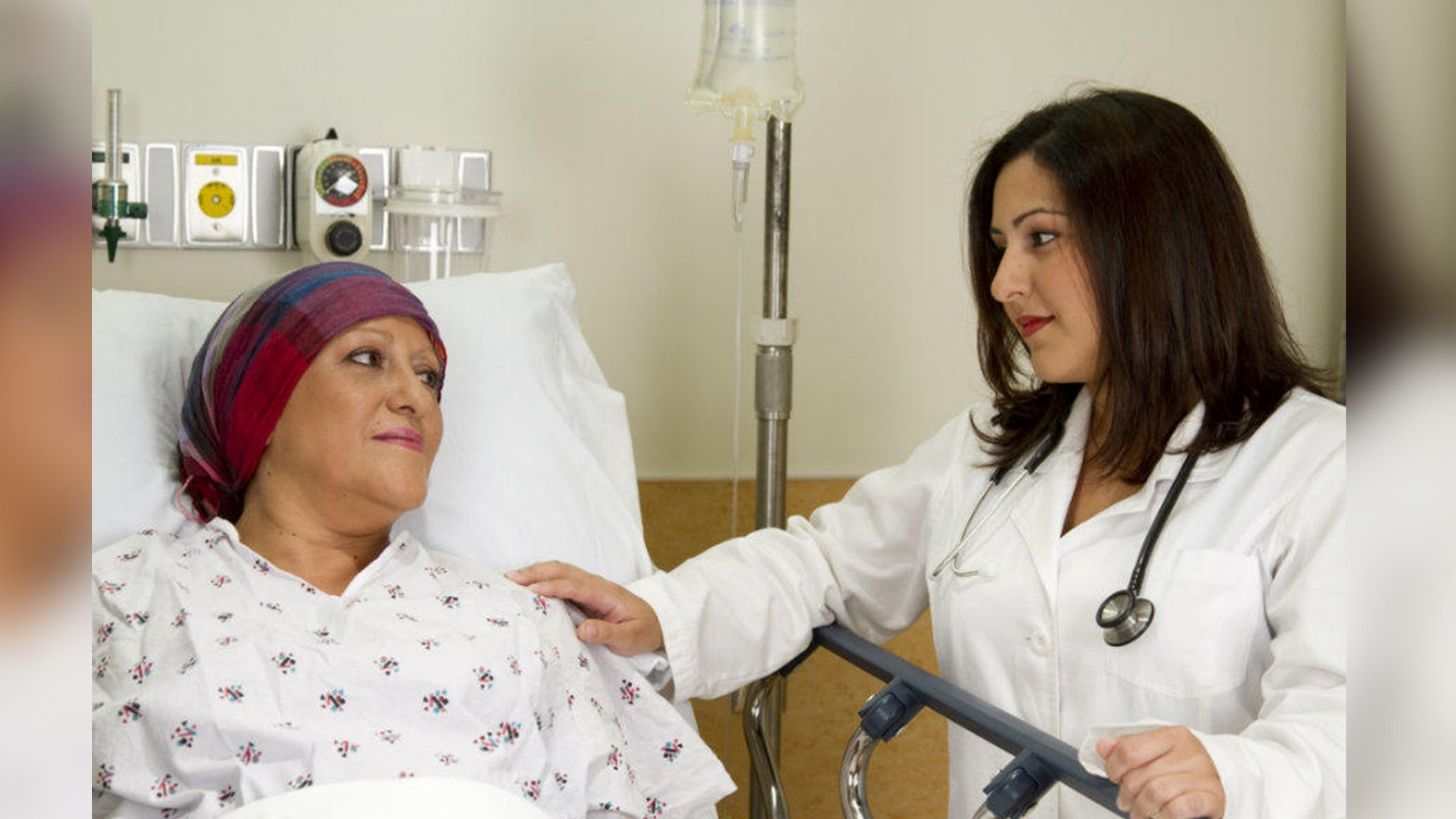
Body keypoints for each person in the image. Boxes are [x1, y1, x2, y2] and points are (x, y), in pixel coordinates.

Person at [512, 89, 1345, 819]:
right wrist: (663, 611)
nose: (1004, 282)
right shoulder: (991, 452)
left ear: (1156, 243)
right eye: (1000, 244)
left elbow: (1359, 728)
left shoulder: (1318, 465)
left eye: (1041, 237)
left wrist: (1235, 773)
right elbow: (821, 566)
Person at [92, 263, 732, 818]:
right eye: (367, 359)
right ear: (262, 402)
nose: (414, 399)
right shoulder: (121, 596)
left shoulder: (519, 616)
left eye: (428, 377)